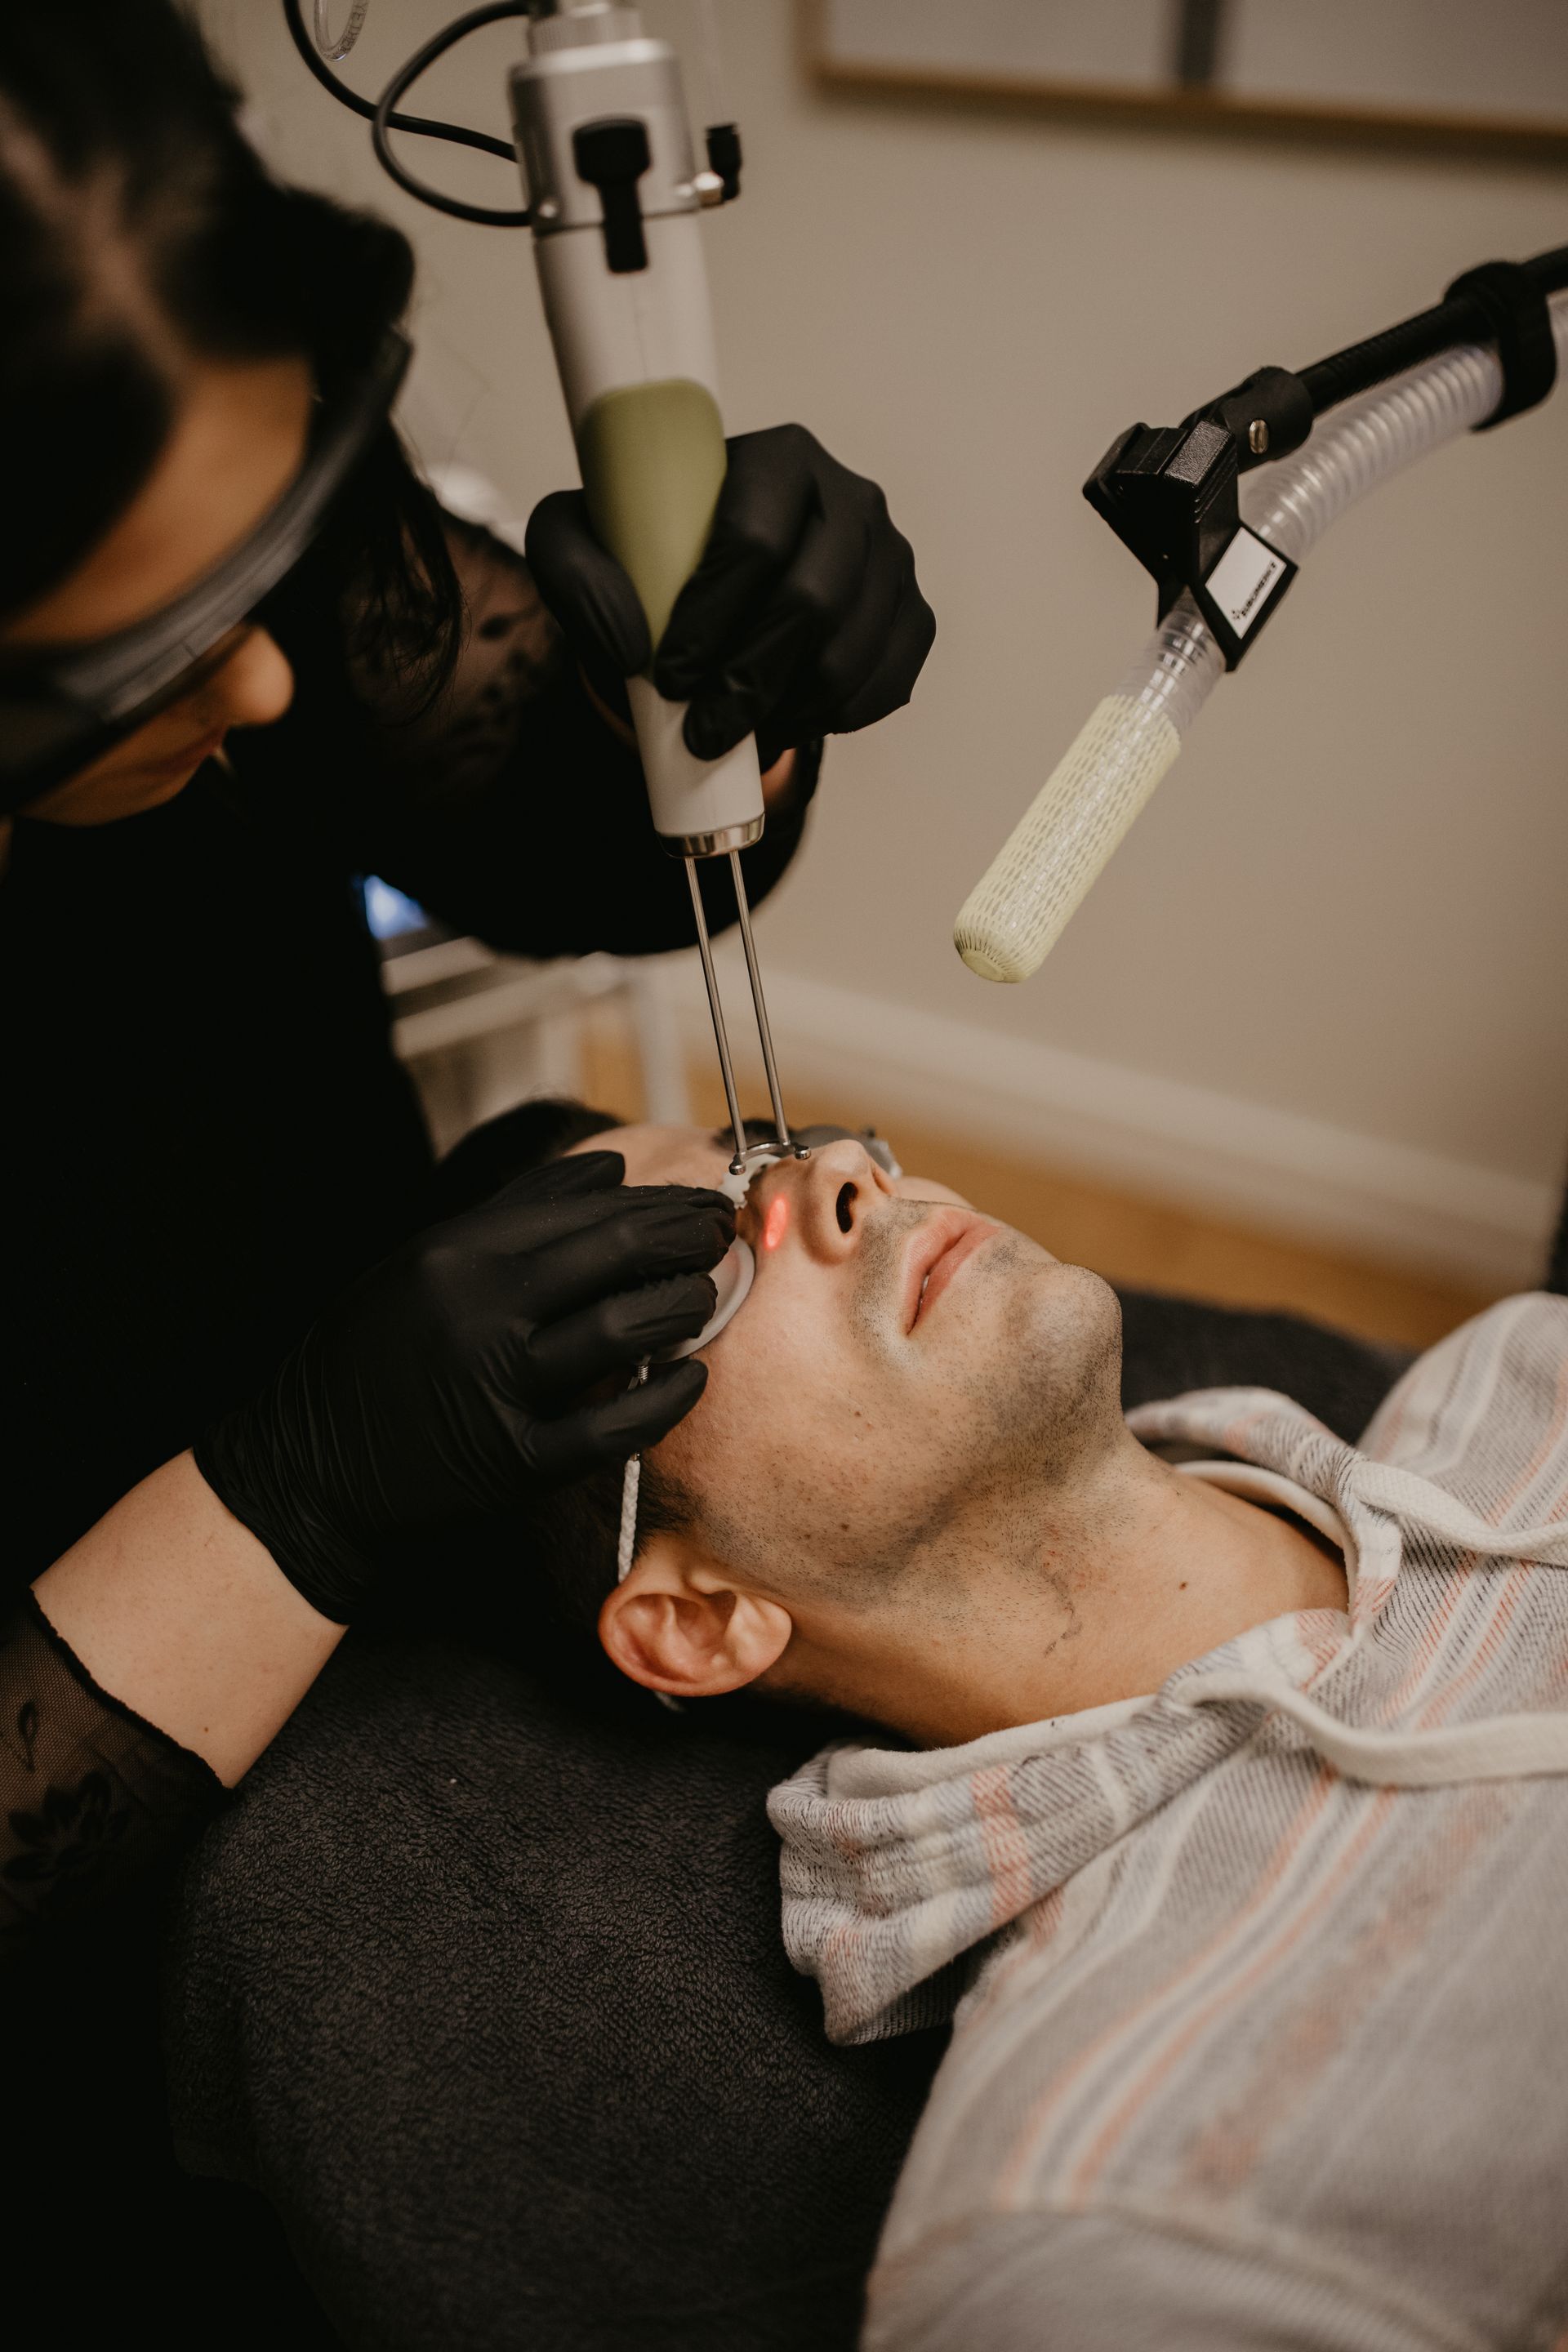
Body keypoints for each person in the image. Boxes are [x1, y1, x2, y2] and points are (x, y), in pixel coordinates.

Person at [0, 0, 931, 2331]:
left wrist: (743, 698)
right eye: (139, 677)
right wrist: (287, 1490)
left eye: (270, 585)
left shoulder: (195, 496)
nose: (269, 704)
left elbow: (573, 831)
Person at [519, 1116, 1568, 2352]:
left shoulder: (1518, 1365)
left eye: (781, 1143)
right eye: (677, 1279)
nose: (845, 1176)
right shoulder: (1104, 2212)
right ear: (699, 1625)